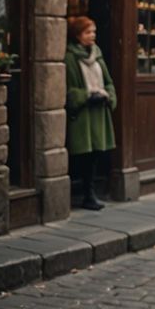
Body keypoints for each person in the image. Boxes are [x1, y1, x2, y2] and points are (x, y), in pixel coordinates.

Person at [63, 16, 117, 211]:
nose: (92, 35)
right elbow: (69, 89)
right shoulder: (70, 57)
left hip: (99, 112)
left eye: (93, 31)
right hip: (83, 114)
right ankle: (85, 195)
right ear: (77, 35)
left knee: (95, 154)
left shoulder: (97, 54)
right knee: (83, 154)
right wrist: (86, 96)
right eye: (88, 32)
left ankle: (90, 194)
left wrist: (108, 96)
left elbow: (108, 82)